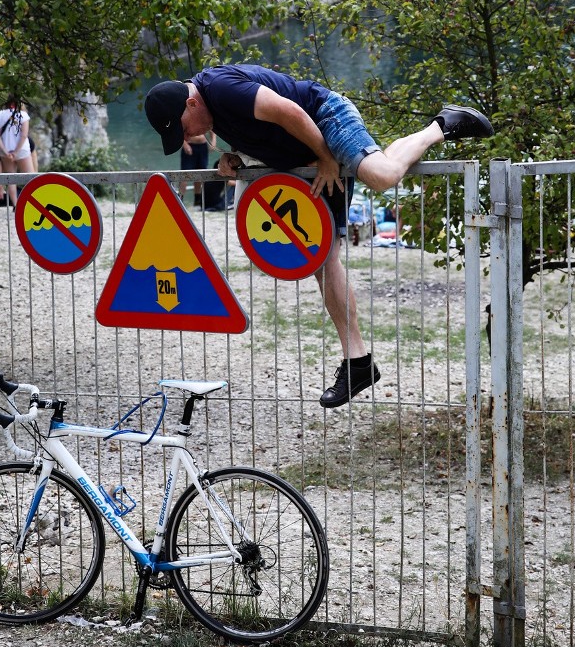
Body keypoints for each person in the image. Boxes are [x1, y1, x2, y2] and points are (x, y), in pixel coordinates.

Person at [145, 65, 493, 408]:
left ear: (191, 104)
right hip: (303, 151)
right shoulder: (210, 112)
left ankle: (441, 125)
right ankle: (358, 363)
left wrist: (326, 157)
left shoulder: (220, 88)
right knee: (322, 258)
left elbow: (288, 110)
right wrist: (233, 158)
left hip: (325, 117)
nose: (188, 136)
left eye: (183, 128)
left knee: (382, 175)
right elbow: (256, 132)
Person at [0, 96, 35, 206]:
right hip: (22, 150)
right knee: (31, 178)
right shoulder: (23, 115)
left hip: (5, 151)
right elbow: (24, 135)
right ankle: (34, 204)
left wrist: (5, 151)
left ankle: (16, 205)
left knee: (11, 179)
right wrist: (16, 152)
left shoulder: (0, 114)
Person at [180, 133, 214, 206]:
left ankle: (197, 201)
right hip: (190, 144)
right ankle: (180, 199)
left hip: (203, 146)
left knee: (200, 174)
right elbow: (178, 131)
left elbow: (212, 127)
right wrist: (185, 144)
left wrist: (213, 141)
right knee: (184, 175)